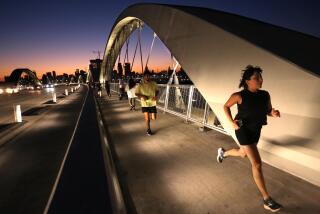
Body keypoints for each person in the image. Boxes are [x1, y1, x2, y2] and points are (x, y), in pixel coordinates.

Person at [217, 65, 282, 212]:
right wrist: (231, 122)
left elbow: (268, 111)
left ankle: (223, 153)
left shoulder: (265, 95)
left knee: (243, 153)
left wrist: (274, 113)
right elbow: (226, 106)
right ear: (247, 81)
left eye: (260, 77)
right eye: (256, 78)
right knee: (257, 164)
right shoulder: (239, 96)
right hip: (243, 129)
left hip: (256, 131)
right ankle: (267, 199)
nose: (260, 80)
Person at [135, 71, 158, 136]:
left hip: (152, 103)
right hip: (144, 103)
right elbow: (136, 93)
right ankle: (148, 130)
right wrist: (142, 96)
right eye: (146, 76)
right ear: (144, 76)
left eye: (149, 76)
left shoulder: (153, 83)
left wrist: (155, 96)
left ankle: (149, 118)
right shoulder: (140, 85)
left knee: (154, 118)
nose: (148, 77)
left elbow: (157, 90)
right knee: (147, 118)